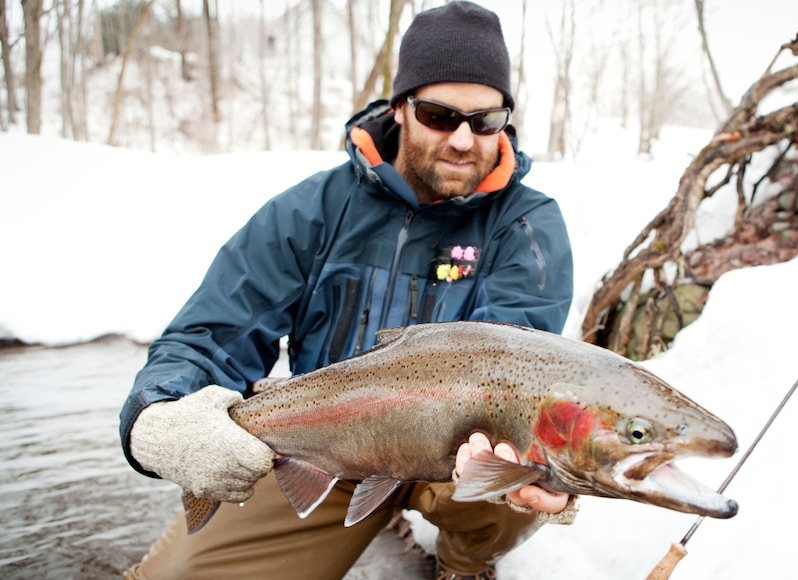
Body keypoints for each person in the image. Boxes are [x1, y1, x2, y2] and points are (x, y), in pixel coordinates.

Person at [117, 2, 575, 579]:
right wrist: (156, 414)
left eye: (486, 120)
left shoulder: (526, 225)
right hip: (326, 446)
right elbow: (211, 334)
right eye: (439, 115)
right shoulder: (314, 210)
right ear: (400, 109)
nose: (464, 140)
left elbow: (521, 368)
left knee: (515, 476)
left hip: (455, 463)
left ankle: (465, 564)